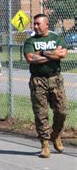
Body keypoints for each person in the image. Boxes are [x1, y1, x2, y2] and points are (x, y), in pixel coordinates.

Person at [23, 13, 68, 158]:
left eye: (38, 24)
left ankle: (55, 135)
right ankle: (45, 144)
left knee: (61, 112)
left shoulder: (56, 38)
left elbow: (62, 54)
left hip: (55, 80)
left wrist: (42, 52)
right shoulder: (30, 41)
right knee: (41, 114)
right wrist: (51, 54)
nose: (35, 26)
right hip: (38, 81)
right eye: (34, 24)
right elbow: (31, 58)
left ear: (46, 25)